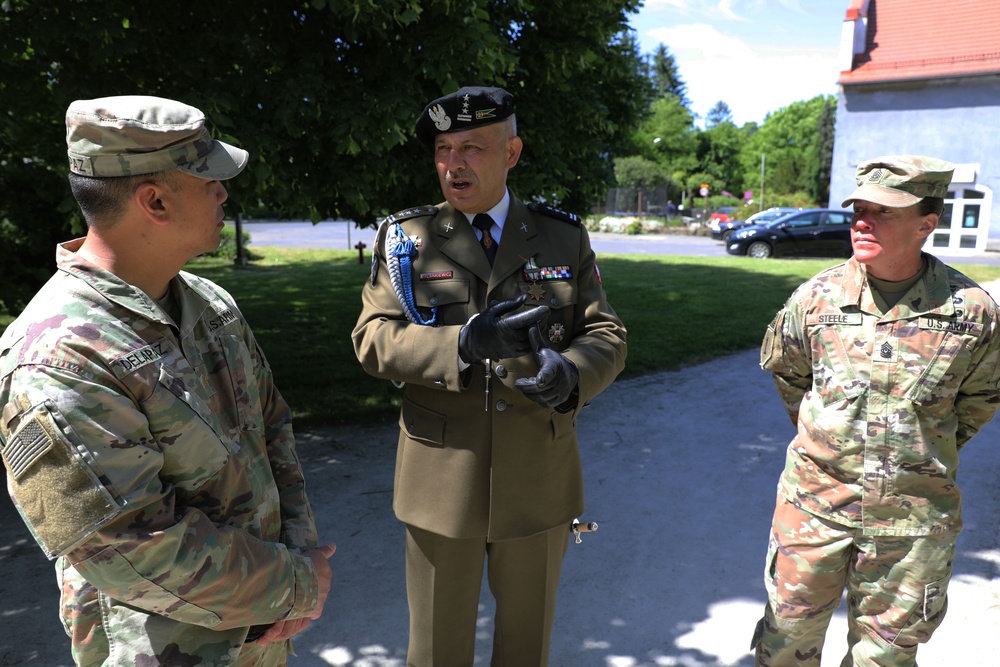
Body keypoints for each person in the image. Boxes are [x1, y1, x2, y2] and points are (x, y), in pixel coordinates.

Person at [0, 96, 336, 666]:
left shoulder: (210, 304)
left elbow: (272, 428)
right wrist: (296, 585)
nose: (224, 192)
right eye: (208, 179)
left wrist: (298, 558)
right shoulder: (57, 357)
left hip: (263, 631)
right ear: (154, 201)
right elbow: (124, 548)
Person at [352, 85, 627, 666]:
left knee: (526, 647)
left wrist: (573, 374)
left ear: (512, 153)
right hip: (440, 481)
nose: (453, 164)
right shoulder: (408, 239)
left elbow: (605, 334)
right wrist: (461, 343)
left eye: (472, 147)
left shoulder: (560, 236)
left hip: (538, 478)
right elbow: (372, 339)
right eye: (443, 150)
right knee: (435, 649)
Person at [752, 155, 1000, 666]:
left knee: (884, 660)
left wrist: (916, 453)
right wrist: (834, 441)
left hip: (913, 523)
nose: (863, 221)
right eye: (859, 209)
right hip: (814, 511)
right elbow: (792, 378)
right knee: (784, 646)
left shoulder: (972, 311)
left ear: (926, 224)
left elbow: (979, 401)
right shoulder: (815, 299)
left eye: (883, 211)